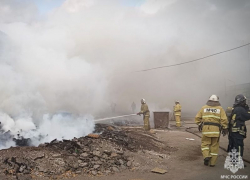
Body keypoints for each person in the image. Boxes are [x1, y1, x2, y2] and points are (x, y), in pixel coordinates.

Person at [195, 95, 228, 167]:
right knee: (214, 146)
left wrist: (200, 124)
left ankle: (206, 156)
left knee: (205, 144)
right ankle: (212, 163)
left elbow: (197, 118)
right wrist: (225, 128)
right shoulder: (220, 109)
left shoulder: (204, 108)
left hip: (206, 129)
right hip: (216, 130)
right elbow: (224, 119)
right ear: (217, 101)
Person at [227, 94, 250, 161]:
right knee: (239, 146)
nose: (245, 103)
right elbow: (248, 116)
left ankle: (233, 159)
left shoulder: (234, 108)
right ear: (241, 101)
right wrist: (247, 108)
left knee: (233, 145)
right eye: (244, 101)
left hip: (232, 131)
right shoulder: (240, 109)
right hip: (238, 131)